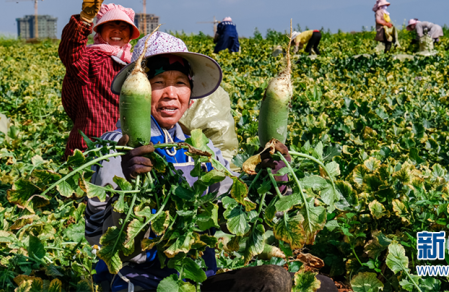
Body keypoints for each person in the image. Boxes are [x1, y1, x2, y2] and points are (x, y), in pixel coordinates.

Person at [86, 32, 337, 292]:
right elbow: (94, 234)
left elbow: (235, 213)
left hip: (195, 279)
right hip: (138, 282)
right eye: (158, 83)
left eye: (180, 83)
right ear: (138, 92)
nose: (171, 94)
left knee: (322, 287)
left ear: (191, 94)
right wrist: (126, 189)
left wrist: (272, 181)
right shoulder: (116, 147)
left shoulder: (199, 149)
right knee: (271, 282)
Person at [58, 0, 140, 158]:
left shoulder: (136, 64)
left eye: (123, 26)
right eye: (112, 25)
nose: (117, 31)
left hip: (127, 150)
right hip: (91, 148)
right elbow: (70, 53)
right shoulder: (91, 59)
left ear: (130, 33)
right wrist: (84, 20)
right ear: (100, 30)